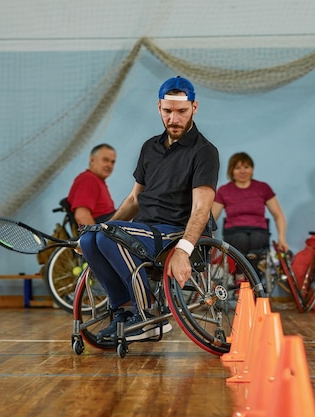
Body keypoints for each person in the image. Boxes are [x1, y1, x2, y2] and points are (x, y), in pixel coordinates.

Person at [78, 76, 219, 342]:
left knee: (108, 236)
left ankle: (147, 316)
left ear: (194, 108)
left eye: (181, 112)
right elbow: (133, 200)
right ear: (159, 108)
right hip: (145, 228)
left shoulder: (205, 152)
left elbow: (202, 207)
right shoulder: (149, 147)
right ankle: (123, 310)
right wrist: (101, 227)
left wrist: (183, 250)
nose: (173, 119)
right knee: (90, 238)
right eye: (167, 111)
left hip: (175, 231)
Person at [211, 152, 289, 273]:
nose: (243, 171)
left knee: (256, 239)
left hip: (259, 231)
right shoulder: (224, 191)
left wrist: (282, 238)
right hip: (234, 232)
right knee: (241, 239)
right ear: (231, 171)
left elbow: (278, 215)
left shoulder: (263, 188)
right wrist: (209, 237)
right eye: (237, 168)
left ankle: (253, 278)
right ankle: (241, 276)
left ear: (252, 169)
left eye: (246, 167)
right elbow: (212, 218)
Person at [67, 144, 116, 226]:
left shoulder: (96, 180)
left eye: (112, 162)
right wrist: (95, 237)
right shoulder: (88, 180)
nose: (109, 165)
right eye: (105, 160)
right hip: (104, 233)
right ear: (92, 159)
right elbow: (81, 216)